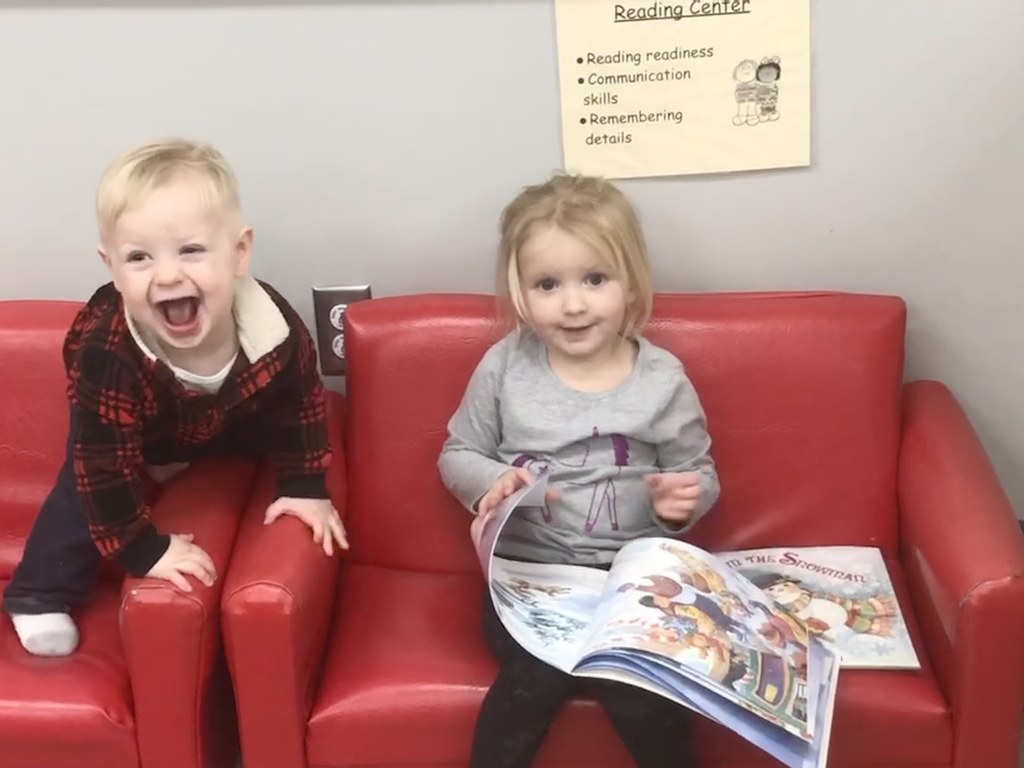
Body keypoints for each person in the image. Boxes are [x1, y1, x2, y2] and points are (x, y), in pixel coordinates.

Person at [1, 138, 347, 657]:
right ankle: (37, 593)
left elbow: (300, 405)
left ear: (239, 253)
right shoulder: (109, 352)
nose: (166, 275)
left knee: (263, 430)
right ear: (112, 268)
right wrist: (144, 552)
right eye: (139, 258)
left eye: (190, 250)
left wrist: (305, 485)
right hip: (128, 418)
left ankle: (191, 455)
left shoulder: (271, 330)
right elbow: (103, 468)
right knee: (87, 484)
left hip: (222, 411)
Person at [438, 172, 720, 767]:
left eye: (595, 279)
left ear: (630, 282)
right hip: (529, 581)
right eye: (548, 284)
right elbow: (457, 453)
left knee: (639, 686)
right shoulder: (505, 366)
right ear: (519, 291)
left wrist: (682, 502)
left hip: (628, 585)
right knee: (531, 680)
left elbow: (698, 471)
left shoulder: (663, 380)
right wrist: (492, 480)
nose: (573, 304)